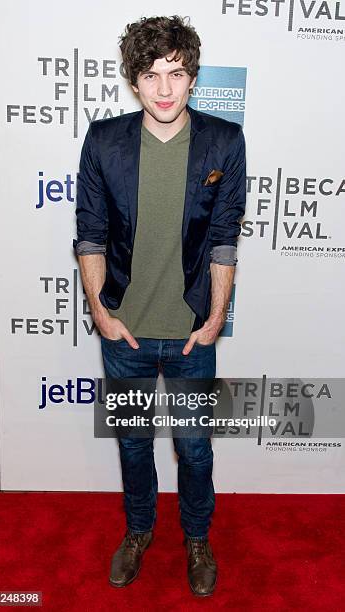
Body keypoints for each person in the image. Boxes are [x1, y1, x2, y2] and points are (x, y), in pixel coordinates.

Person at [73, 15, 246, 597]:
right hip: (124, 332)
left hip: (194, 331)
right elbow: (91, 232)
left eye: (176, 73)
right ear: (134, 81)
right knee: (132, 444)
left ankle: (197, 537)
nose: (165, 89)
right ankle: (139, 531)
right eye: (151, 75)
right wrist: (100, 310)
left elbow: (224, 236)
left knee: (195, 449)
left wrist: (216, 317)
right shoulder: (104, 141)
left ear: (193, 77)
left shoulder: (225, 141)